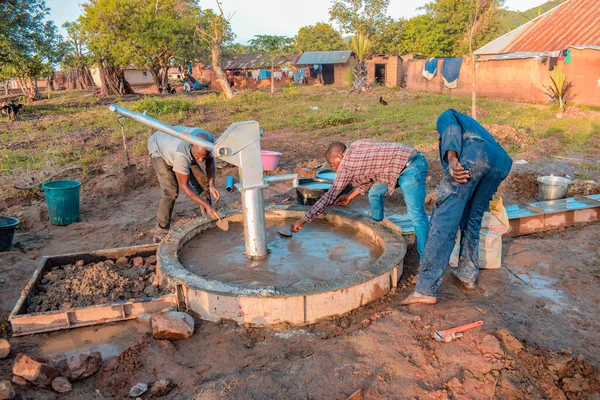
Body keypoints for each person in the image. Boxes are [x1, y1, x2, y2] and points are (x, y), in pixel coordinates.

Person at [401, 109, 512, 305]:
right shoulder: (475, 127)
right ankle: (467, 275)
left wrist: (452, 160)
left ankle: (426, 288)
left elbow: (450, 128)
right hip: (501, 162)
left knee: (444, 221)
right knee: (472, 219)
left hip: (474, 157)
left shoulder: (447, 115)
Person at [290, 139, 430, 261]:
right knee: (374, 192)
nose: (333, 167)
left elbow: (329, 196)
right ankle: (379, 227)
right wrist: (349, 196)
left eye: (333, 163)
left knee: (416, 214)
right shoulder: (357, 145)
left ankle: (426, 261)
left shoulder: (346, 166)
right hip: (393, 167)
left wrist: (303, 220)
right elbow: (370, 176)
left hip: (412, 166)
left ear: (339, 155)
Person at [148, 127, 221, 242]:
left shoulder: (209, 141)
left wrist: (212, 185)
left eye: (203, 157)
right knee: (171, 192)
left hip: (176, 145)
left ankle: (207, 220)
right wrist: (207, 205)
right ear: (191, 146)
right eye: (198, 157)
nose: (201, 160)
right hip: (159, 148)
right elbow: (185, 186)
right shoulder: (181, 155)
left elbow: (210, 162)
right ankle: (161, 230)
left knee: (203, 184)